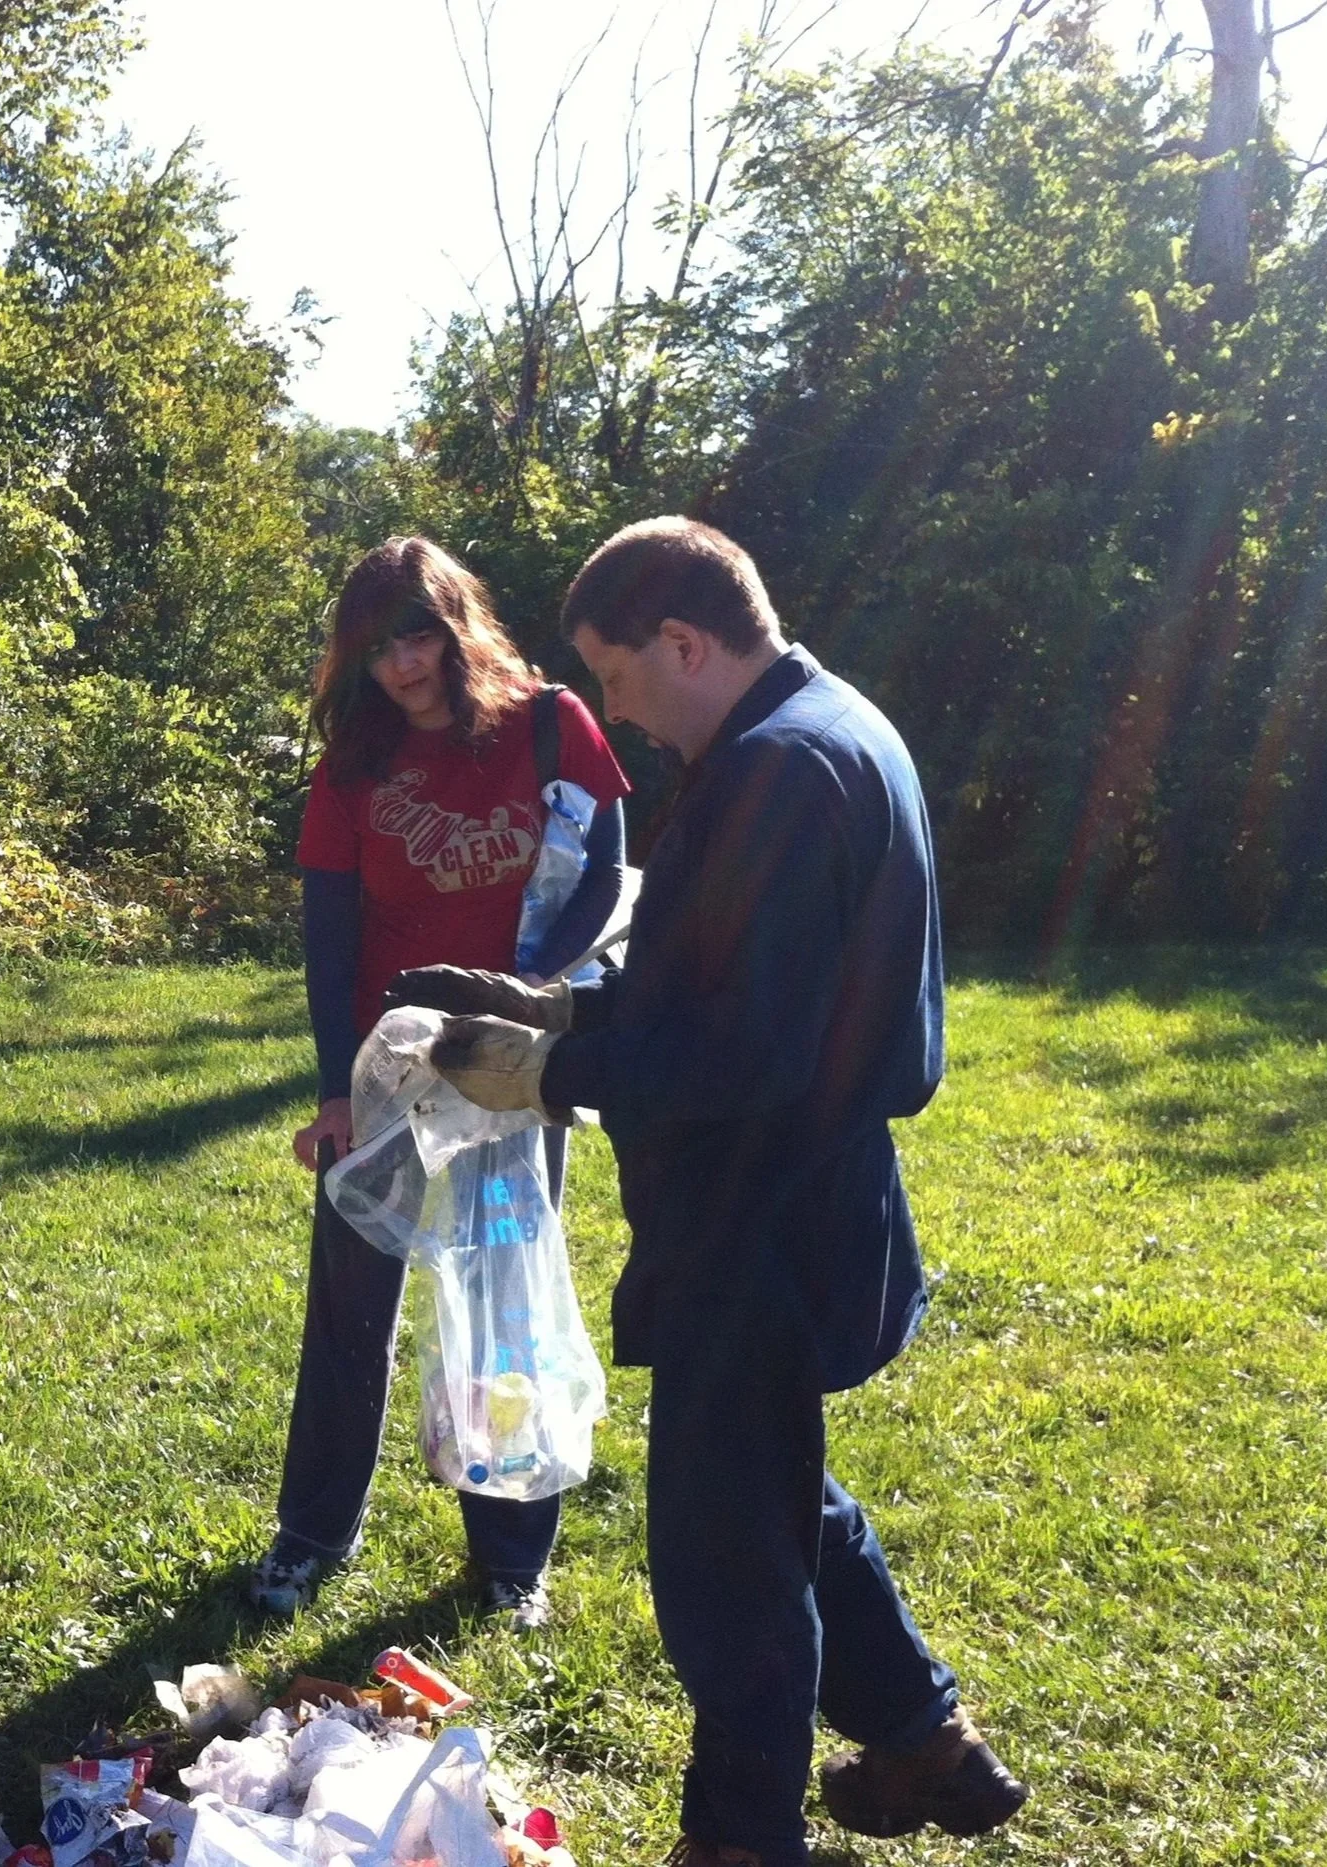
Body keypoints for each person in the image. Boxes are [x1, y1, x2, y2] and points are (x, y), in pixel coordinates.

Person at [394, 517, 1025, 1865]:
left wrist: (548, 1071)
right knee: (772, 1489)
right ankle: (922, 1735)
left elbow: (749, 1048)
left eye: (617, 679)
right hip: (798, 1206)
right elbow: (726, 977)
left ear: (684, 641)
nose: (617, 718)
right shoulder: (829, 724)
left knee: (724, 1558)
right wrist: (557, 998)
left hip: (765, 1218)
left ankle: (737, 1839)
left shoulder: (782, 769)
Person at [251, 535, 631, 1631]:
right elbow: (329, 936)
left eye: (416, 637)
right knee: (349, 1308)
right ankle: (312, 1531)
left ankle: (513, 1557)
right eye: (375, 650)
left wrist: (523, 995)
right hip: (390, 1071)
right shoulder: (354, 762)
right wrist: (335, 1088)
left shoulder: (551, 723)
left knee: (506, 1306)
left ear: (455, 627)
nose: (401, 668)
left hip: (511, 1068)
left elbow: (603, 872)